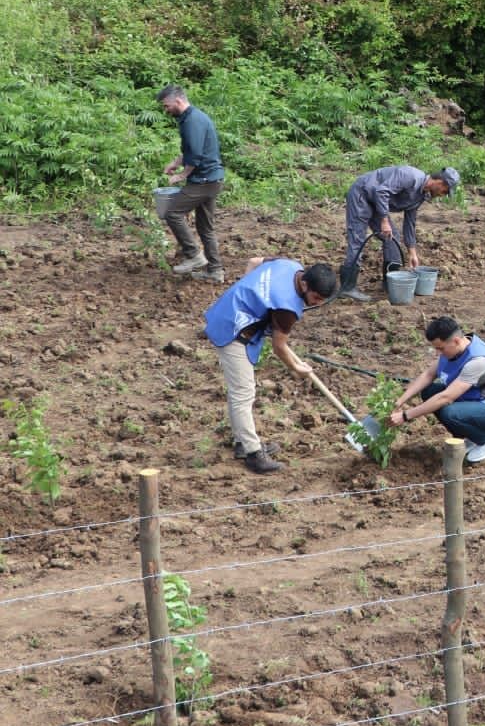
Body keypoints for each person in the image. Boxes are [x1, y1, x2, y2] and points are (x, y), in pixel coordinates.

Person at [204, 257, 338, 473]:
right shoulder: (287, 307)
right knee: (243, 392)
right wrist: (296, 368)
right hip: (232, 330)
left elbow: (254, 261)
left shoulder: (290, 266)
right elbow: (279, 347)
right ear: (305, 285)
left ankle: (243, 442)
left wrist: (249, 291)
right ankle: (253, 454)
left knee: (241, 392)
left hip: (228, 308)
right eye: (316, 297)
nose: (317, 303)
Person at [388, 316, 485, 463]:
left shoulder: (478, 361)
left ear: (456, 340)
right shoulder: (453, 349)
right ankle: (471, 436)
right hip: (474, 398)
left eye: (440, 348)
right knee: (429, 391)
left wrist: (405, 416)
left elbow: (446, 398)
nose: (438, 353)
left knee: (449, 412)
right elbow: (429, 374)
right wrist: (400, 401)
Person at [337, 165, 460, 301]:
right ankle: (347, 288)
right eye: (445, 191)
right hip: (362, 194)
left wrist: (412, 253)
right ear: (440, 182)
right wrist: (384, 220)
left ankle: (390, 283)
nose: (442, 195)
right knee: (357, 239)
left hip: (377, 202)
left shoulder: (420, 196)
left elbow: (409, 223)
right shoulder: (410, 176)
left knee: (392, 237)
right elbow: (381, 191)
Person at [157, 84, 225, 282]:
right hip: (212, 179)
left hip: (203, 180)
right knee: (205, 227)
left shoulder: (192, 121)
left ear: (178, 101)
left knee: (172, 212)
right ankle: (215, 271)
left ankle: (194, 255)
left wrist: (182, 175)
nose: (166, 110)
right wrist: (175, 163)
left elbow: (195, 154)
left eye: (167, 106)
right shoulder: (193, 117)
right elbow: (191, 149)